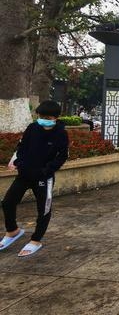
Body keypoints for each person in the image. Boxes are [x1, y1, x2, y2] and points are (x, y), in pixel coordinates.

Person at [1, 100, 69, 257]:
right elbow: (22, 147)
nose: (43, 118)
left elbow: (62, 156)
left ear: (55, 118)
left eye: (47, 116)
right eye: (41, 115)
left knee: (43, 209)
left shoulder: (61, 133)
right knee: (8, 202)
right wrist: (19, 163)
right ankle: (12, 231)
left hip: (43, 178)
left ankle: (36, 240)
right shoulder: (33, 128)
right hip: (24, 174)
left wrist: (47, 170)